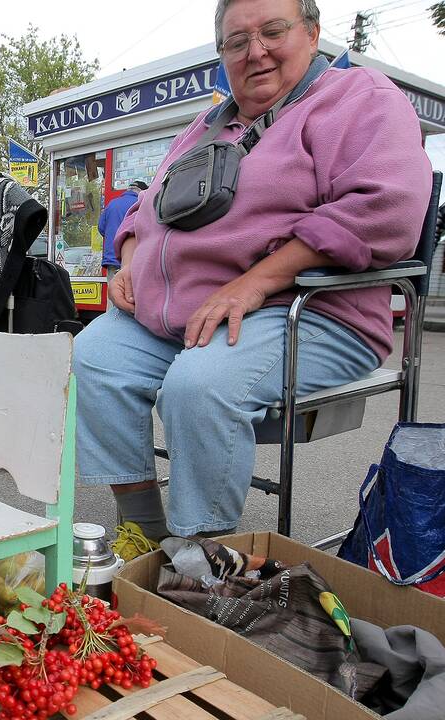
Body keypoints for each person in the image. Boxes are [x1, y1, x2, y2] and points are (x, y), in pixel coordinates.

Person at [73, 0, 432, 561]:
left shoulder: (361, 98)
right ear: (222, 55)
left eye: (272, 31)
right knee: (94, 356)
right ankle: (145, 526)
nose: (255, 51)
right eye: (237, 41)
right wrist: (132, 251)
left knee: (199, 384)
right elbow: (149, 203)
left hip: (308, 309)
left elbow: (386, 209)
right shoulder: (208, 123)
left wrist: (258, 280)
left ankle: (201, 557)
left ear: (312, 34)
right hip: (186, 313)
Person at [97, 180, 147, 280]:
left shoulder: (112, 204)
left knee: (114, 293)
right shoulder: (141, 204)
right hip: (133, 259)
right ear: (142, 192)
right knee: (132, 294)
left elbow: (101, 228)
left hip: (112, 259)